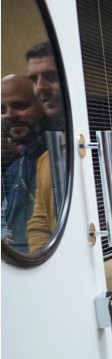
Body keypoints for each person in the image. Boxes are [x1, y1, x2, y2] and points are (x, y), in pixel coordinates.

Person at [23, 41, 67, 251]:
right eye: (34, 79)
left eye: (50, 76)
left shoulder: (106, 146)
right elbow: (39, 224)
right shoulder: (47, 159)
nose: (40, 87)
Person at [2, 73, 46, 249]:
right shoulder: (12, 171)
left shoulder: (58, 164)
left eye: (19, 106)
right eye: (1, 110)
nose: (9, 115)